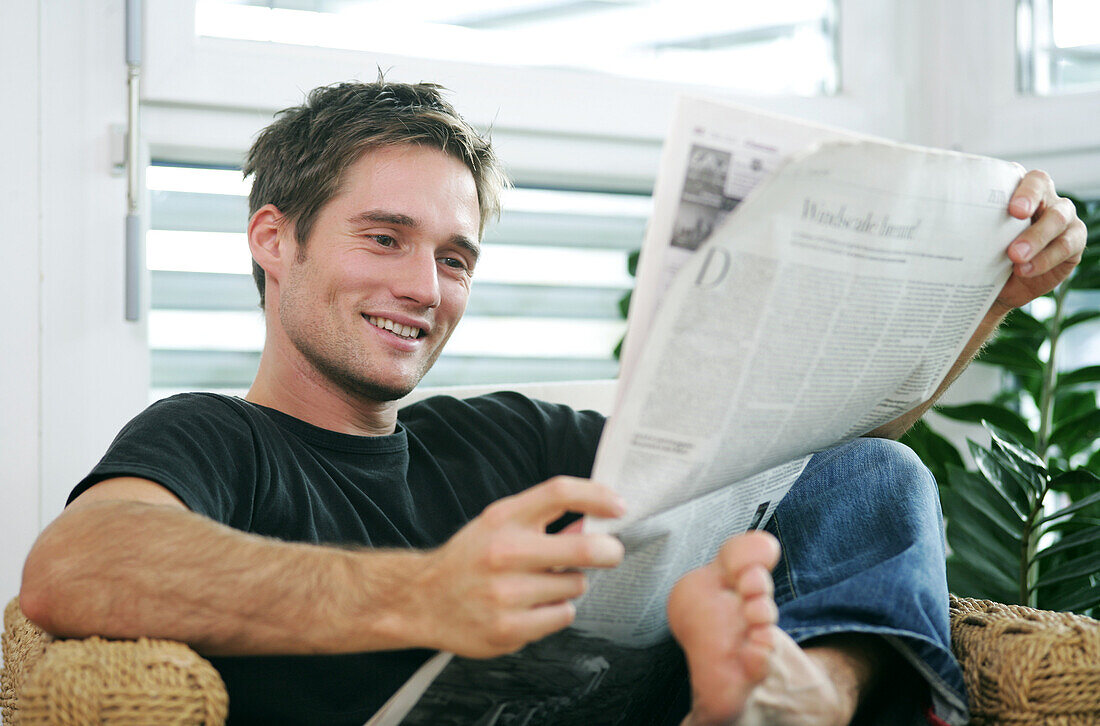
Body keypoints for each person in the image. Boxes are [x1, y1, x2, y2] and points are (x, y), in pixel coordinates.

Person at [19, 80, 1086, 726]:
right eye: (382, 239)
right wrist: (424, 596)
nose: (421, 289)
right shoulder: (214, 439)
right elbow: (73, 567)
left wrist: (986, 297)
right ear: (273, 240)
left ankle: (805, 697)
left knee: (870, 471)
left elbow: (818, 460)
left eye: (453, 257)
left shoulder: (513, 436)